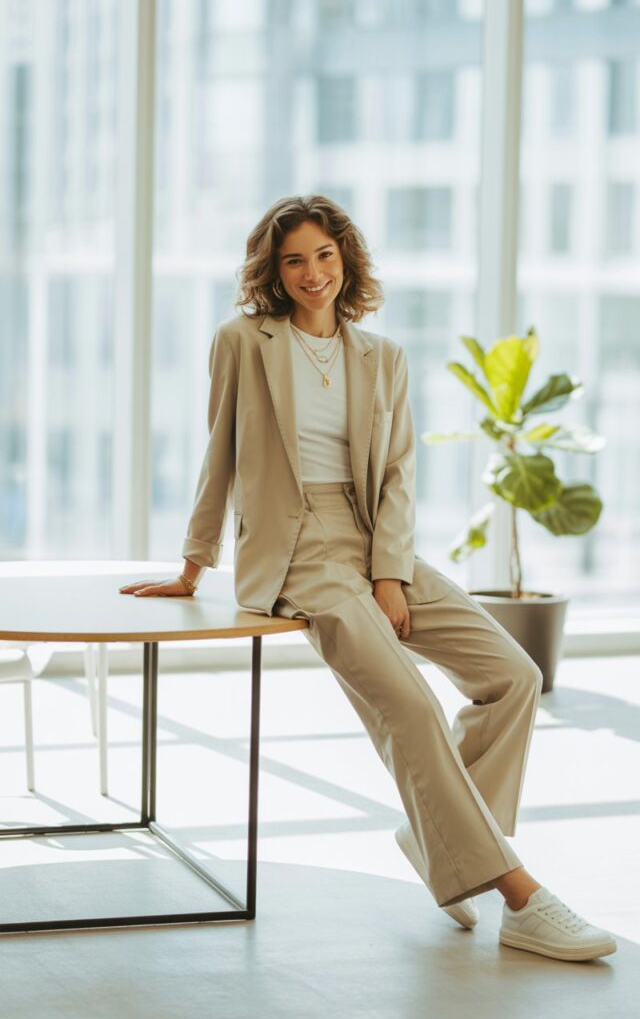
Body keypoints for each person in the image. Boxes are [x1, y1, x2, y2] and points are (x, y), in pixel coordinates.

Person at [120, 194, 616, 963]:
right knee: (413, 709)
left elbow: (397, 475)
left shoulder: (382, 356)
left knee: (513, 676)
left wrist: (390, 572)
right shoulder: (244, 342)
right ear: (273, 272)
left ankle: (435, 839)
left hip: (373, 537)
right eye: (294, 260)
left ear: (345, 257)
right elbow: (218, 452)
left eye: (324, 255)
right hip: (296, 553)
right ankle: (519, 898)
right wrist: (194, 564)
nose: (312, 273)